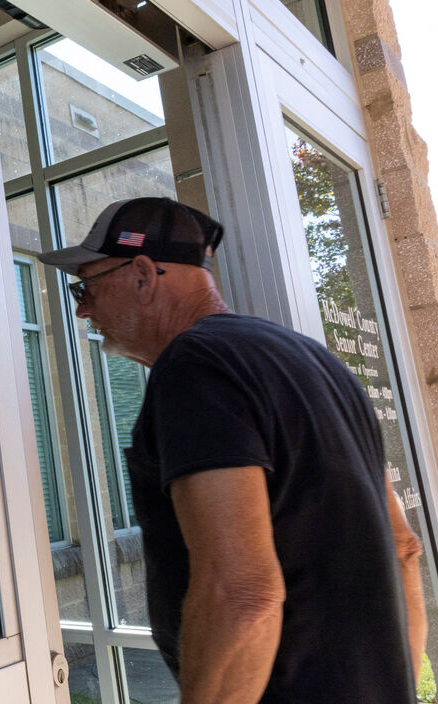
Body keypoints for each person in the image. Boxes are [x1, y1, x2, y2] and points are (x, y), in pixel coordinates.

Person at [36, 197, 426, 703]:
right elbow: (404, 551)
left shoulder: (195, 366)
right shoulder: (319, 363)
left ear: (141, 274)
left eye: (85, 287)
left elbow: (243, 595)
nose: (83, 308)